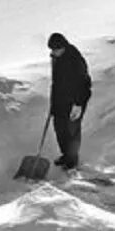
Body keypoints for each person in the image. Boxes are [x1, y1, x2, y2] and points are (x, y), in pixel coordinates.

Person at [47, 32, 91, 170]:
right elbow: (56, 83)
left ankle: (72, 160)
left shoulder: (75, 60)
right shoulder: (56, 59)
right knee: (60, 129)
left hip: (75, 102)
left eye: (56, 49)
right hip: (60, 101)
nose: (54, 52)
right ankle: (65, 155)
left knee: (71, 131)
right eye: (52, 50)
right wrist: (53, 104)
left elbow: (84, 83)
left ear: (63, 47)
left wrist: (78, 104)